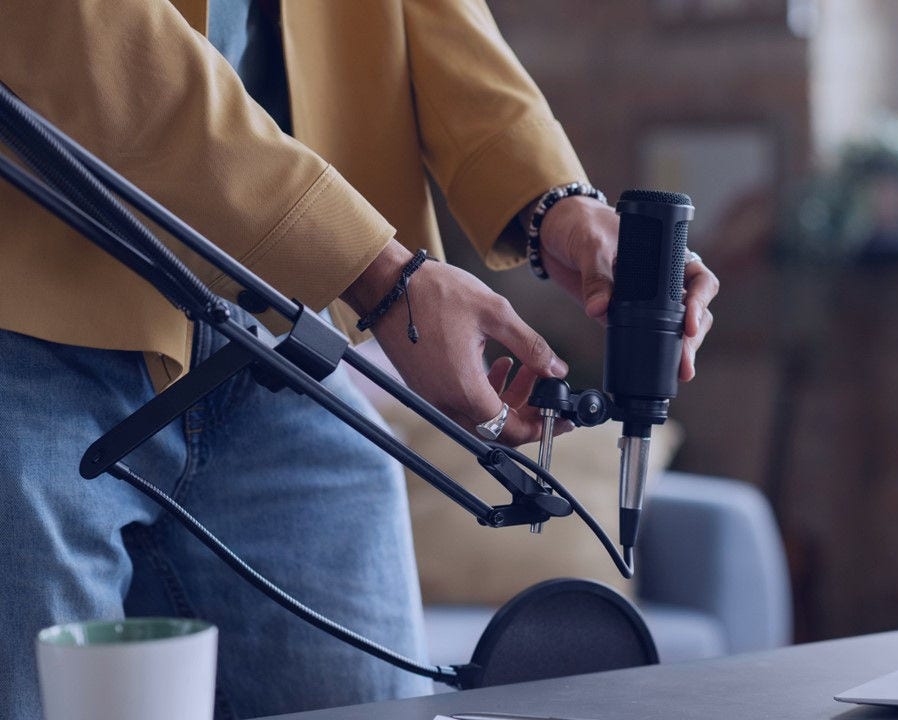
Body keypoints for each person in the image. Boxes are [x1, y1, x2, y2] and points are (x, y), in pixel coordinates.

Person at [0, 1, 719, 718]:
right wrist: (381, 276)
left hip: (272, 332)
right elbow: (86, 32)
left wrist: (554, 200)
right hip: (29, 310)